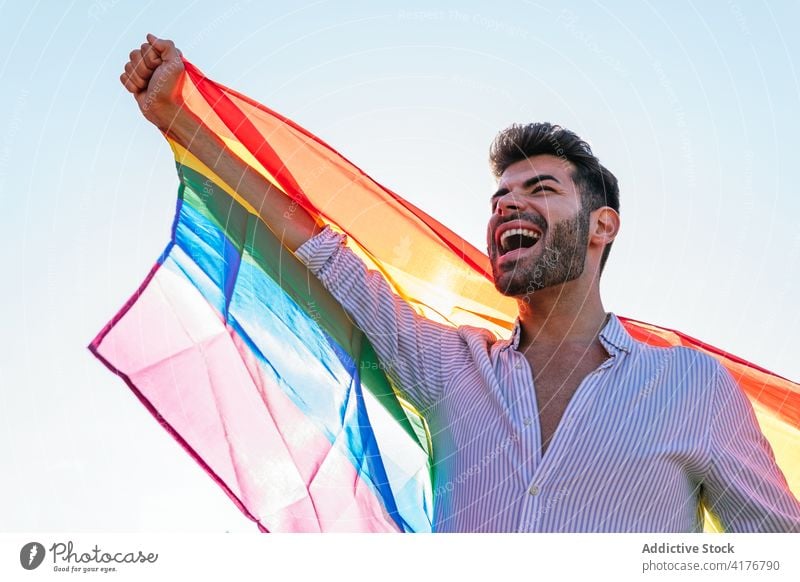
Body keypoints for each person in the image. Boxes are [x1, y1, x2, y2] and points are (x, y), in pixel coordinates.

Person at [120, 35, 800, 532]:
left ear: (601, 227)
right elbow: (319, 249)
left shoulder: (693, 390)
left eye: (540, 188)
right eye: (499, 196)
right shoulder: (448, 368)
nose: (506, 205)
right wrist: (180, 119)